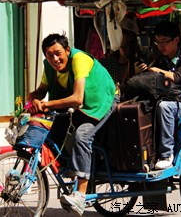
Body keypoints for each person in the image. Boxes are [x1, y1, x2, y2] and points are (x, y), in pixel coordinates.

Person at [27, 32, 116, 216]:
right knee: (48, 132)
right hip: (76, 109)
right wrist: (32, 99)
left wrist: (46, 104)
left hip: (100, 103)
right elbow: (41, 90)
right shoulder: (49, 66)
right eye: (49, 55)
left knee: (82, 135)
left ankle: (80, 196)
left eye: (58, 53)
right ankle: (70, 168)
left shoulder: (79, 60)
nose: (54, 59)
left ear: (67, 50)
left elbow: (77, 98)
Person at [135, 21, 181, 170]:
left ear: (176, 40)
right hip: (165, 98)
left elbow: (178, 77)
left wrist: (155, 70)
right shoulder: (159, 58)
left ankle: (166, 154)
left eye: (164, 41)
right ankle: (147, 153)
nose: (161, 46)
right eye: (158, 42)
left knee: (165, 107)